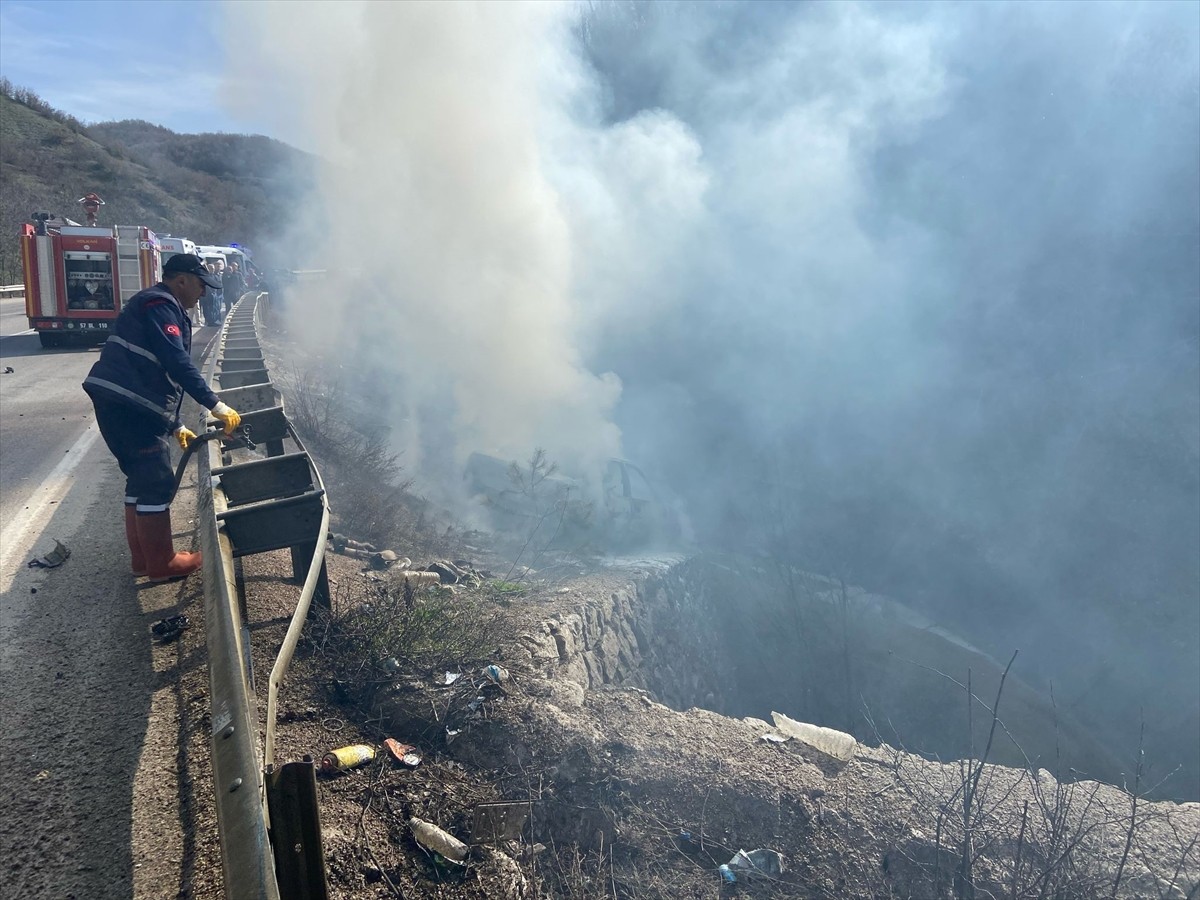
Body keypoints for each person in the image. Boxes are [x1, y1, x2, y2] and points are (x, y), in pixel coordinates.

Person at [83, 253, 242, 582]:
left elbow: (154, 374)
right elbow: (175, 362)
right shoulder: (161, 305)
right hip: (129, 404)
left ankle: (142, 560)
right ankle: (162, 564)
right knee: (156, 481)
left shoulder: (154, 302)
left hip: (121, 401)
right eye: (201, 285)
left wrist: (175, 424)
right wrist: (215, 404)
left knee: (139, 478)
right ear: (181, 280)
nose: (204, 292)